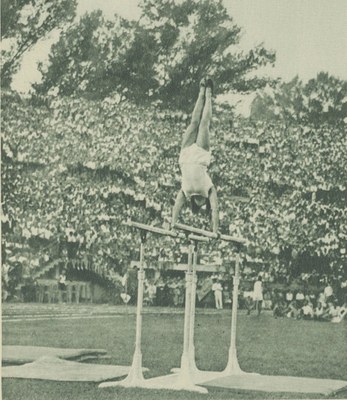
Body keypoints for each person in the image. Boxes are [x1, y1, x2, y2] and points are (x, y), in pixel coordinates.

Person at [172, 78, 219, 233]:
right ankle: (208, 92)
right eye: (201, 202)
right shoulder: (208, 188)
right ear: (204, 200)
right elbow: (214, 209)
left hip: (185, 156)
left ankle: (201, 91)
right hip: (199, 156)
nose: (199, 200)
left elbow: (177, 207)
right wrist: (215, 229)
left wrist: (173, 225)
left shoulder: (186, 191)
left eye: (197, 202)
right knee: (203, 123)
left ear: (193, 202)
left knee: (193, 123)